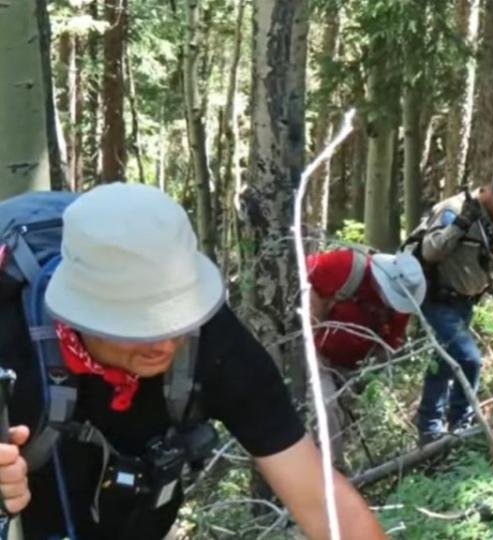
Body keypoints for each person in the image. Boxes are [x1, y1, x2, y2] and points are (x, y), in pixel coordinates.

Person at [0, 183, 385, 539]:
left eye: (176, 316)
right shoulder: (10, 335)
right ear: (79, 311)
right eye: (140, 324)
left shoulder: (213, 341)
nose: (166, 343)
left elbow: (321, 501)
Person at [406, 174, 493, 445]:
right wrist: (461, 225)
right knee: (470, 358)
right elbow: (430, 251)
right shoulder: (453, 210)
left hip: (465, 301)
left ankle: (431, 427)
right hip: (437, 297)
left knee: (443, 361)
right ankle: (461, 420)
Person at [307, 249, 425, 457]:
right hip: (314, 351)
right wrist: (309, 330)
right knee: (327, 411)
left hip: (350, 368)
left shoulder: (398, 308)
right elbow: (300, 280)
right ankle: (331, 475)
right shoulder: (346, 266)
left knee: (340, 419)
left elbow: (388, 346)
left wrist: (365, 379)